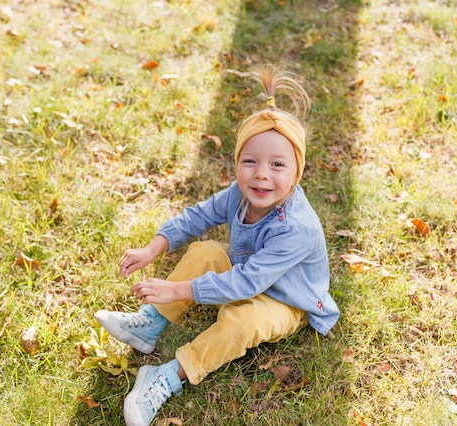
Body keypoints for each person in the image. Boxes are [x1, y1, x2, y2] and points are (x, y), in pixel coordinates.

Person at [94, 64, 340, 426]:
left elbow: (247, 284)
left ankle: (167, 375)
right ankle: (150, 323)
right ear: (237, 162)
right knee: (205, 251)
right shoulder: (240, 194)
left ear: (296, 172)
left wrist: (176, 288)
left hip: (286, 300)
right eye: (250, 161)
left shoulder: (297, 228)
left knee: (242, 320)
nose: (261, 174)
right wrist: (152, 249)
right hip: (247, 271)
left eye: (277, 165)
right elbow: (197, 217)